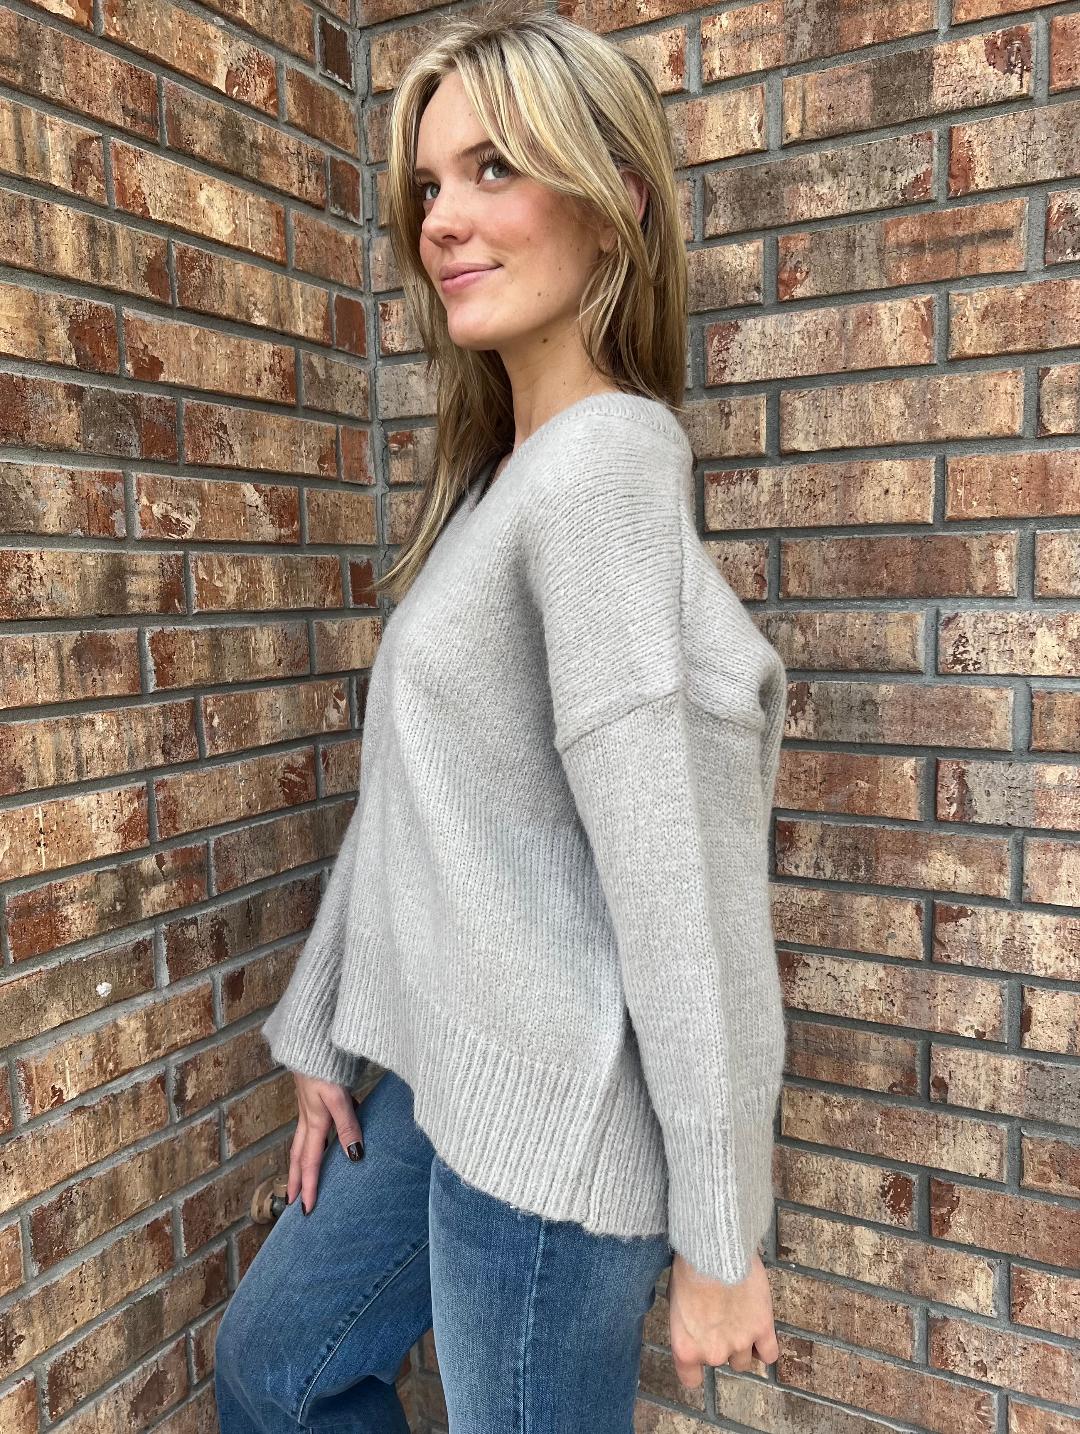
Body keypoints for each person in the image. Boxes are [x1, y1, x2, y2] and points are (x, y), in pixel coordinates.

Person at [214, 2, 789, 1429]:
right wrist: (323, 1030)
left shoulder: (603, 469)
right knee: (276, 1369)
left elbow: (680, 877)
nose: (444, 221)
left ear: (614, 205)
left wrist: (720, 1236)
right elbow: (419, 794)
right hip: (449, 1077)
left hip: (559, 1134)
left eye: (493, 170)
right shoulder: (498, 482)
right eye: (428, 186)